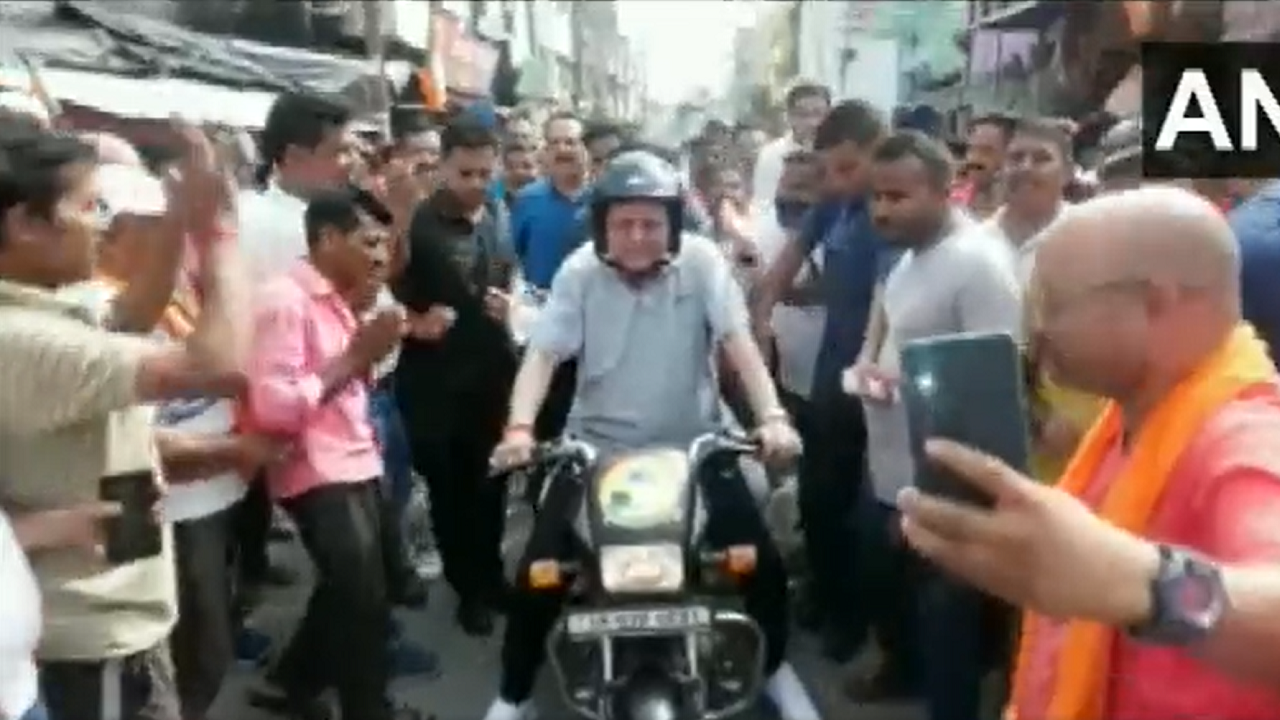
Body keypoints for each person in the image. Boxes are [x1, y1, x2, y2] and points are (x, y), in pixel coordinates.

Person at [902, 186, 1280, 719]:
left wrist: (1143, 585)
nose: (1035, 331)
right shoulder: (1129, 417)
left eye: (1052, 305)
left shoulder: (1245, 440)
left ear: (1155, 303)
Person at [481, 150, 819, 720]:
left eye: (650, 223)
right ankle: (514, 694)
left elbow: (739, 346)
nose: (636, 236)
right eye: (623, 224)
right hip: (594, 449)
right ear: (602, 225)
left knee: (760, 563)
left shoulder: (704, 264)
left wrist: (773, 418)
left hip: (695, 446)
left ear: (672, 224)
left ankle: (778, 670)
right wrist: (518, 429)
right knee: (538, 572)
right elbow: (542, 356)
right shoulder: (580, 273)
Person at [0, 118, 246, 720]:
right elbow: (220, 363)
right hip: (87, 635)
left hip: (102, 615)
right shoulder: (19, 337)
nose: (106, 224)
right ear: (26, 225)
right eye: (90, 207)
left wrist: (181, 218)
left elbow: (132, 313)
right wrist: (220, 234)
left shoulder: (46, 304)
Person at [846, 131, 1024, 715]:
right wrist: (873, 373)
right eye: (876, 196)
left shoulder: (976, 264)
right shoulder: (909, 260)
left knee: (950, 629)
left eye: (898, 196)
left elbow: (996, 383)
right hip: (896, 468)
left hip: (946, 483)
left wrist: (936, 497)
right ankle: (903, 676)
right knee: (907, 607)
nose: (882, 209)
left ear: (946, 191)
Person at [245, 186, 427, 720]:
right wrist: (356, 356)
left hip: (355, 457)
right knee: (363, 603)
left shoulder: (336, 298)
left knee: (359, 588)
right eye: (368, 242)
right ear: (326, 239)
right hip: (315, 469)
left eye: (384, 245)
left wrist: (368, 352)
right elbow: (275, 408)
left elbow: (347, 384)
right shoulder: (285, 300)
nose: (378, 257)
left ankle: (293, 684)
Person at [753, 100, 894, 661]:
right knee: (817, 500)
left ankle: (853, 619)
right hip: (828, 383)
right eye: (829, 169)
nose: (834, 182)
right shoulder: (834, 207)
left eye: (846, 168)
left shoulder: (892, 214)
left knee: (866, 518)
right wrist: (760, 323)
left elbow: (888, 308)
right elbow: (782, 270)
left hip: (878, 387)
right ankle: (827, 594)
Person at [393, 119, 519, 637]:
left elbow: (507, 274)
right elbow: (386, 287)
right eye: (465, 172)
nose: (476, 183)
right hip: (435, 385)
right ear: (443, 166)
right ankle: (468, 590)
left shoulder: (497, 214)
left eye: (486, 173)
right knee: (451, 497)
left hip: (492, 377)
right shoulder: (415, 225)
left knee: (492, 489)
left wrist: (508, 306)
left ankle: (491, 578)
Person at [750, 82, 830, 212]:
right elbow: (764, 204)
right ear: (789, 117)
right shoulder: (771, 155)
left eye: (818, 114)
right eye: (803, 115)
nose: (812, 122)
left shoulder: (837, 152)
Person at [956, 114, 1015, 219]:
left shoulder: (1022, 214)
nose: (974, 159)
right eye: (971, 149)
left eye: (986, 152)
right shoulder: (955, 206)